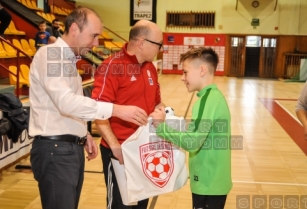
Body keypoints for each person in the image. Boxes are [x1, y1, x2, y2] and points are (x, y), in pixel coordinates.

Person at [29, 6, 148, 209]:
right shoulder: (50, 55)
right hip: (55, 151)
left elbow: (66, 108)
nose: (95, 43)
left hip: (66, 149)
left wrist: (83, 133)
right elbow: (66, 102)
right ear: (74, 29)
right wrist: (116, 109)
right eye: (93, 36)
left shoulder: (66, 60)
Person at [91, 20, 164, 209]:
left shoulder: (150, 68)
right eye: (158, 44)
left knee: (141, 204)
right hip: (119, 153)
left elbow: (157, 101)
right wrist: (115, 146)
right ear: (141, 43)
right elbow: (98, 109)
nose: (161, 48)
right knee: (121, 205)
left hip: (144, 151)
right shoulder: (111, 67)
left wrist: (161, 111)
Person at [151, 47, 232, 209]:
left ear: (202, 70)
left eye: (185, 72)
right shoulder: (212, 97)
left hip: (208, 183)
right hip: (211, 180)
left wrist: (161, 127)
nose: (182, 78)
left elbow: (193, 142)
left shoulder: (207, 100)